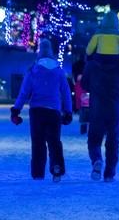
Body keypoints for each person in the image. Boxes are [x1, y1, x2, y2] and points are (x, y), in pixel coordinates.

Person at [11, 39, 73, 181]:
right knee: (54, 141)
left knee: (38, 142)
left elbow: (24, 92)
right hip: (54, 110)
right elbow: (65, 93)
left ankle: (38, 173)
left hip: (37, 111)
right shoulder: (58, 71)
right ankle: (57, 166)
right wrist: (68, 111)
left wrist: (16, 110)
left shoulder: (33, 70)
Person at [83, 26, 119, 182]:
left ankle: (97, 159)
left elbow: (84, 85)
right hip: (115, 108)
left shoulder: (92, 65)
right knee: (113, 141)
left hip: (97, 108)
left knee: (94, 139)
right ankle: (109, 173)